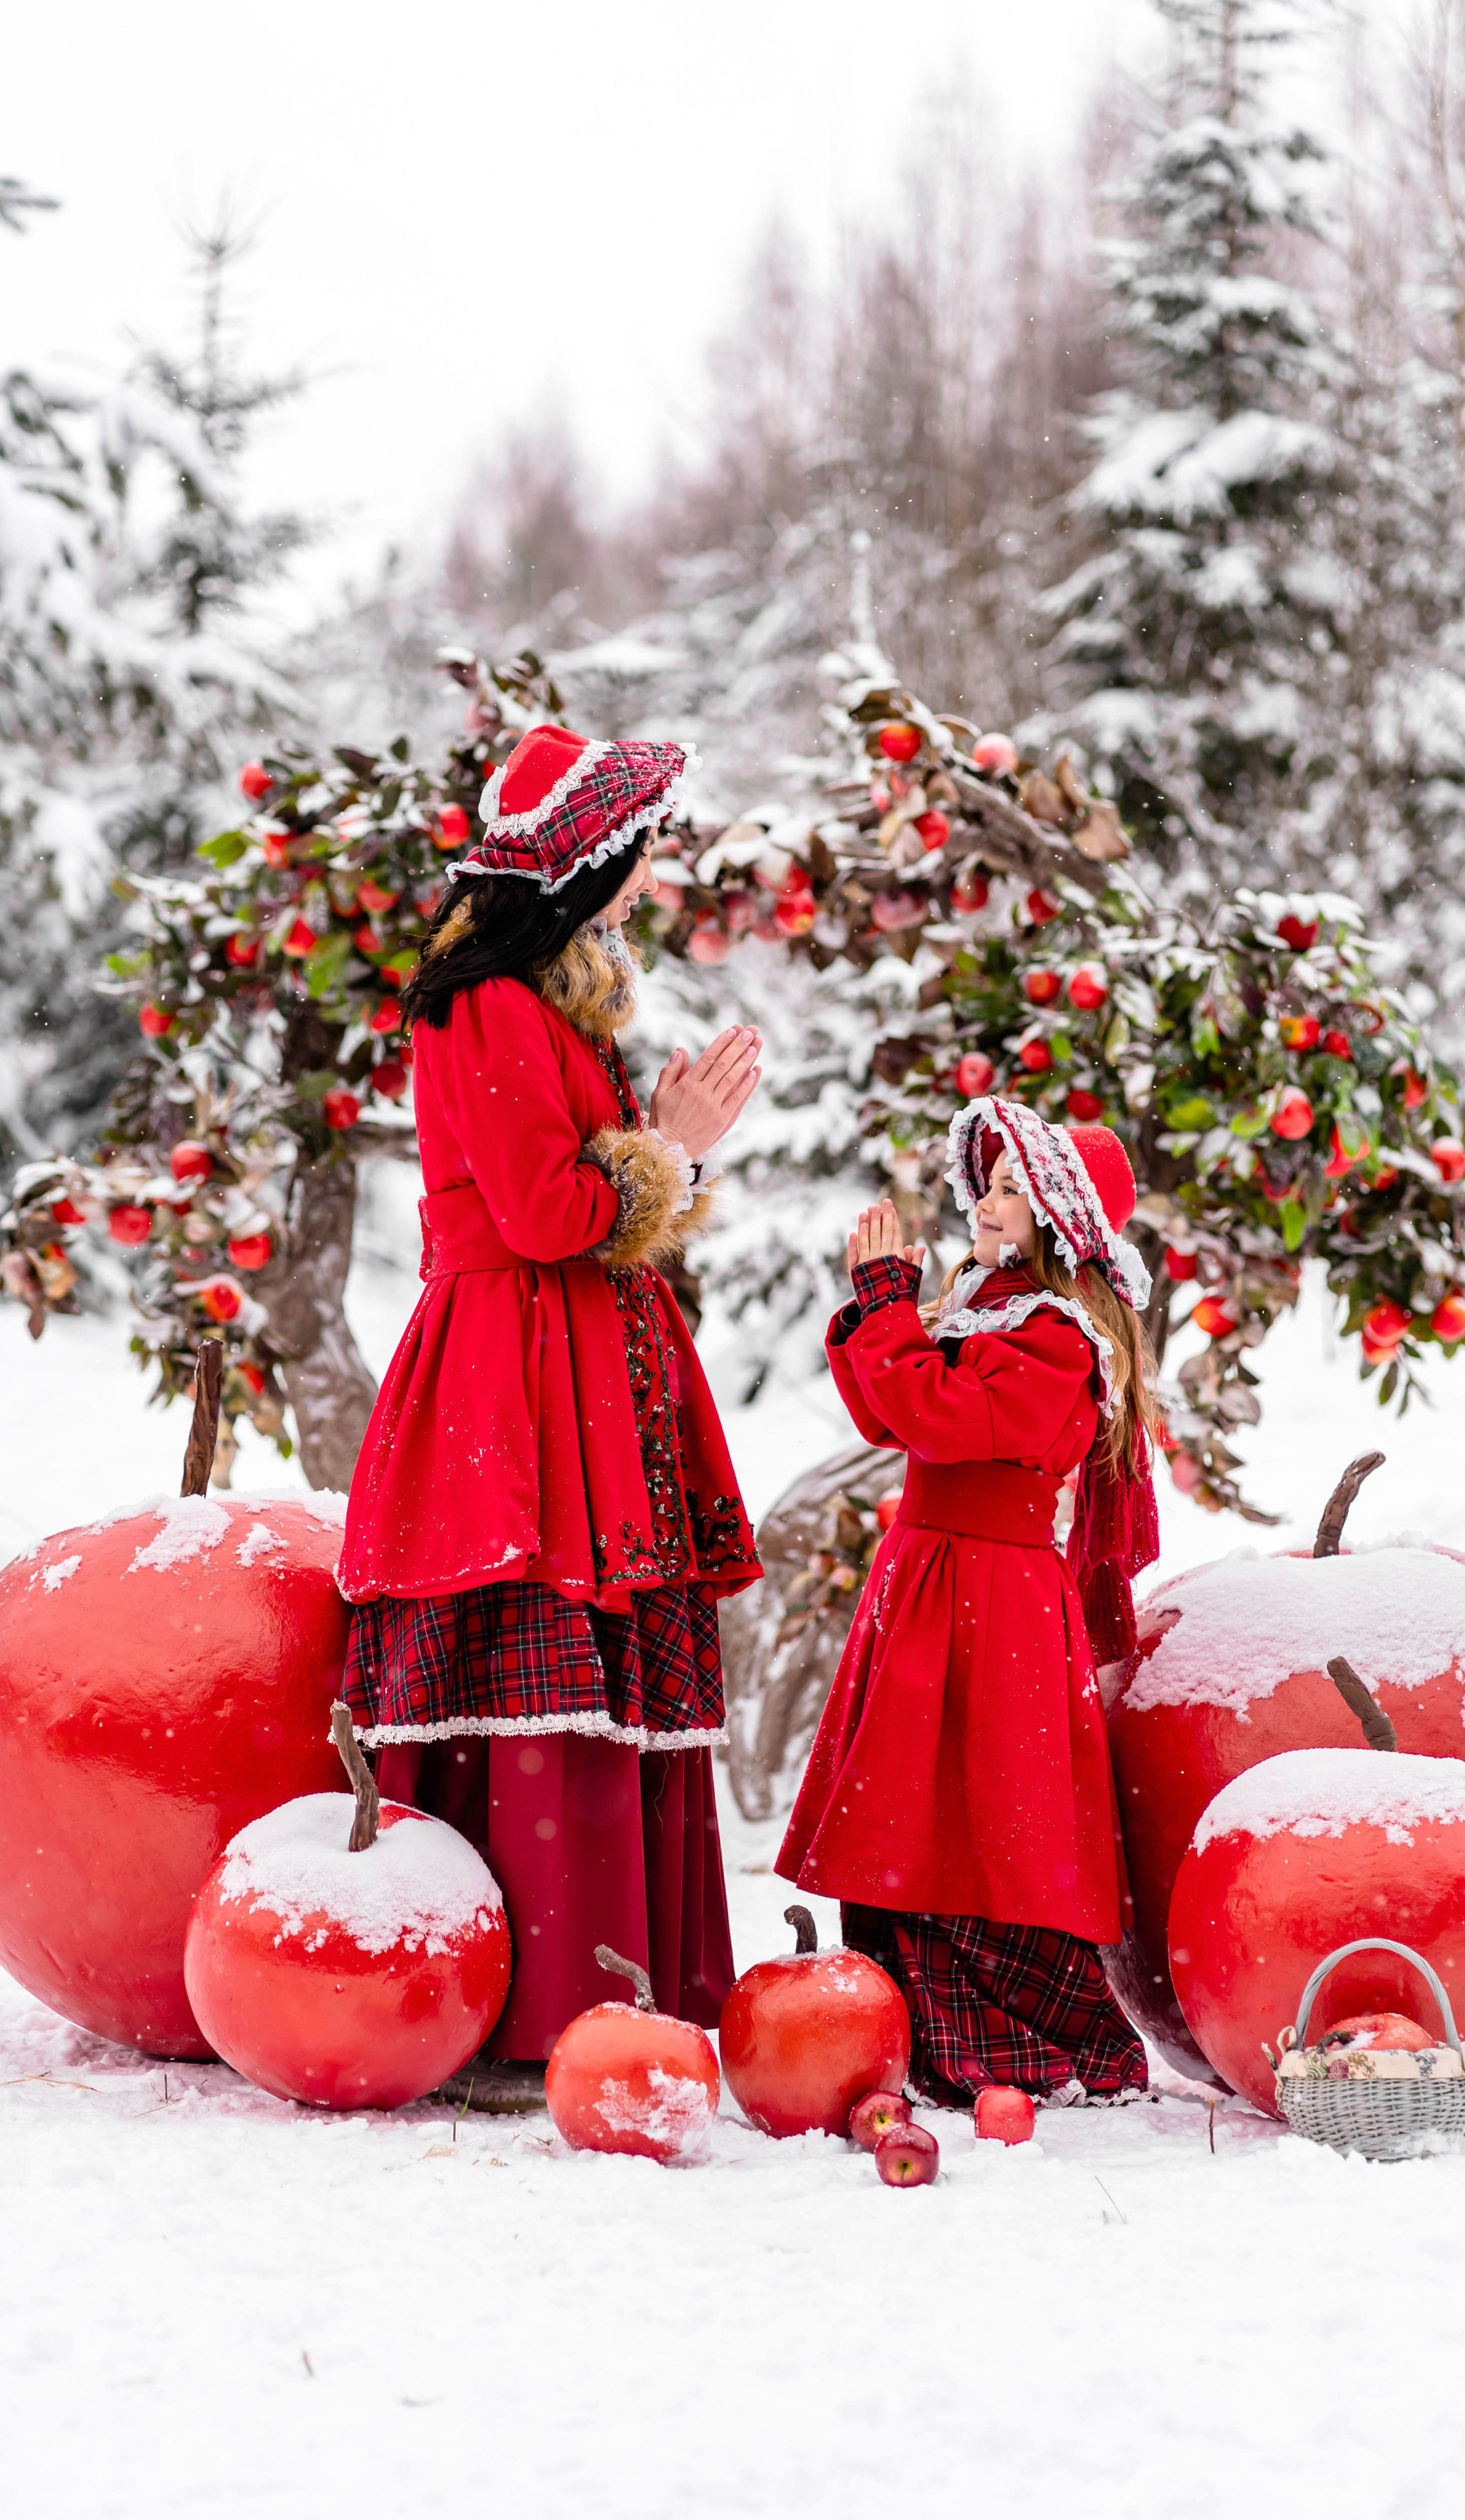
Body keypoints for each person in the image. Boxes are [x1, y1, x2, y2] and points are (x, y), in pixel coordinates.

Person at [339, 722, 764, 2097]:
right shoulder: (493, 1008)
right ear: (589, 866)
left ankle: (596, 1989)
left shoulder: (539, 1002)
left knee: (579, 1664)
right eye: (638, 856)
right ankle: (535, 1998)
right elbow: (544, 1214)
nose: (652, 878)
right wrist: (674, 1152)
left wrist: (661, 1152)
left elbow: (588, 1207)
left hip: (574, 1362)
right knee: (534, 1653)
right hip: (516, 1373)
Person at [776, 1097, 1160, 2108]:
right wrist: (878, 1307)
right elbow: (887, 1410)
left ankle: (1008, 2030)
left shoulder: (1059, 1342)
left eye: (1004, 1190)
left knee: (985, 1807)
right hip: (930, 1578)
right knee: (908, 1802)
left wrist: (893, 1310)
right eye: (985, 1185)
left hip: (994, 1597)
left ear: (1052, 1216)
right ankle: (913, 2013)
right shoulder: (985, 1306)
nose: (982, 1205)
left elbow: (940, 1416)